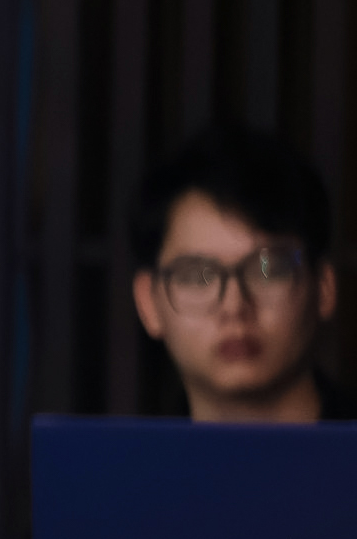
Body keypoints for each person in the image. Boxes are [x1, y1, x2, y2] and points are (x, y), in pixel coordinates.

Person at [130, 126, 349, 423]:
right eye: (198, 276)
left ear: (323, 287)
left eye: (267, 271)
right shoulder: (123, 454)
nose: (234, 308)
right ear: (148, 303)